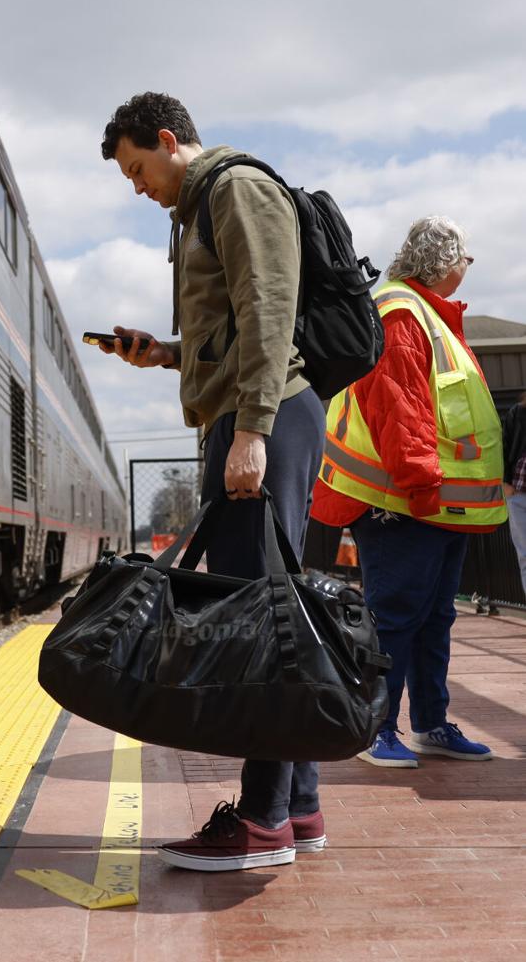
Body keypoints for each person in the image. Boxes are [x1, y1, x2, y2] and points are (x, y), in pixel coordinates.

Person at [98, 92, 326, 871]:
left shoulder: (234, 188)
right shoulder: (195, 207)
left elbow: (270, 309)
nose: (137, 185)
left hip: (265, 415)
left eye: (137, 167)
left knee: (258, 620)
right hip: (243, 412)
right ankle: (296, 804)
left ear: (168, 140)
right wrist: (161, 353)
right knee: (271, 609)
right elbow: (229, 324)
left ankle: (261, 818)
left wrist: (254, 429)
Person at [312, 216, 506, 767]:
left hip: (433, 504)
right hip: (405, 501)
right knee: (395, 617)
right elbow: (400, 409)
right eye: (466, 260)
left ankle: (429, 723)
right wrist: (421, 486)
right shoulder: (402, 311)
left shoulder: (421, 312)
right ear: (445, 262)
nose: (466, 270)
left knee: (433, 615)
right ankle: (377, 730)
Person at [503, 391, 526, 598]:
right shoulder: (517, 413)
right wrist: (505, 483)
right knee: (525, 556)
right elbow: (505, 445)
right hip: (518, 493)